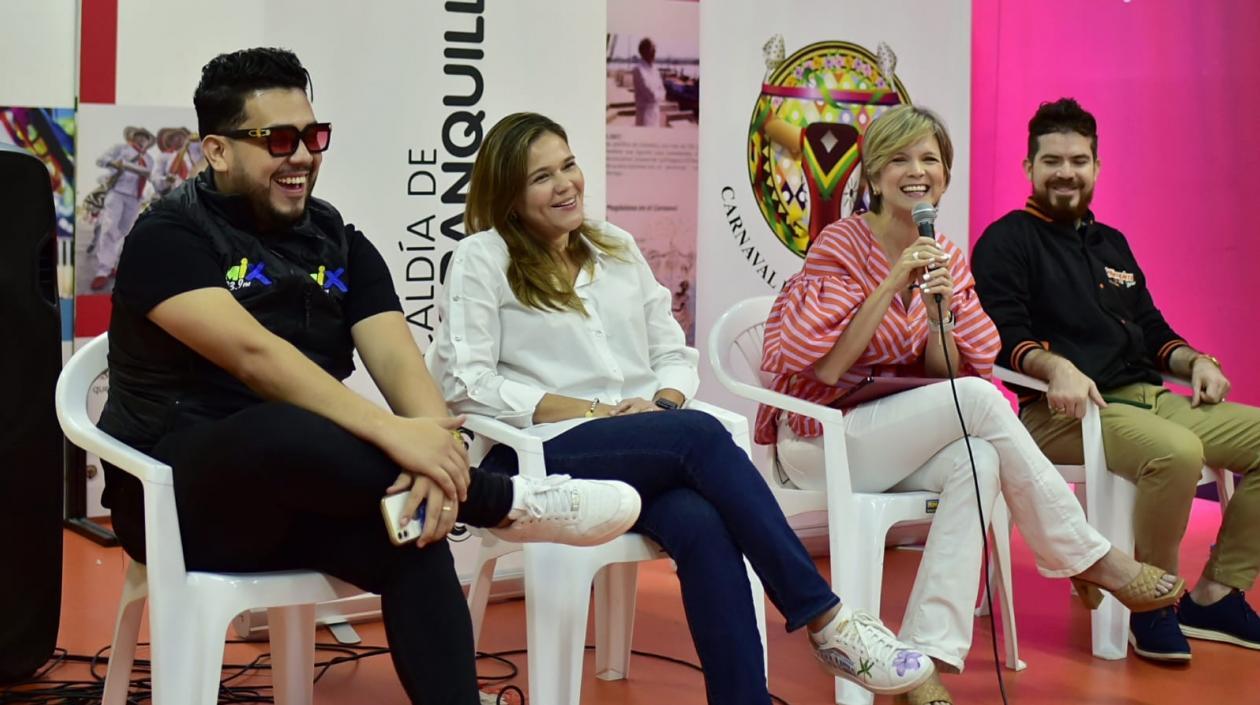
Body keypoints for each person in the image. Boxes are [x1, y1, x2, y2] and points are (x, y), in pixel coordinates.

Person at [96, 48, 641, 705]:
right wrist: (401, 440)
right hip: (177, 500)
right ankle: (503, 501)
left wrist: (433, 454)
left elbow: (410, 384)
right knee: (278, 425)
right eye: (279, 139)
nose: (302, 155)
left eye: (313, 136)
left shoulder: (341, 245)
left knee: (413, 534)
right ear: (217, 151)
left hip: (309, 490)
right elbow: (255, 357)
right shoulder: (168, 238)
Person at [428, 111, 937, 705]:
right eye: (542, 177)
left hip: (642, 443)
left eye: (568, 165)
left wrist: (661, 402)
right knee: (696, 436)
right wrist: (593, 410)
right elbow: (467, 382)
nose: (566, 184)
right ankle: (825, 619)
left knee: (699, 520)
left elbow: (671, 349)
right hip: (538, 457)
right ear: (509, 197)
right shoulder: (482, 258)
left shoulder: (613, 246)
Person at [756, 105, 1184, 705]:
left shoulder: (946, 256)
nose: (917, 171)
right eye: (900, 159)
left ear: (946, 175)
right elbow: (825, 365)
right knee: (983, 402)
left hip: (894, 434)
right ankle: (1087, 556)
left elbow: (949, 375)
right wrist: (891, 282)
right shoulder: (841, 243)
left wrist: (937, 320)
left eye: (930, 159)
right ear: (874, 176)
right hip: (821, 437)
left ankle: (922, 661)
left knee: (980, 457)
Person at [971, 97, 1260, 662]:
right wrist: (1056, 366)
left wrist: (1197, 361)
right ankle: (1149, 601)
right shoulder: (1006, 240)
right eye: (1051, 160)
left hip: (1148, 398)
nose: (1065, 172)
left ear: (1096, 168)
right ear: (1029, 168)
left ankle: (1217, 594)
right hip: (1059, 415)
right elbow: (1001, 336)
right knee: (1177, 453)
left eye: (1078, 160)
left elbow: (1153, 331)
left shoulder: (1113, 244)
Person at [91, 126, 154, 290]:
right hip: (117, 192)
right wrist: (114, 162)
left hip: (135, 198)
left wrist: (126, 165)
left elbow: (147, 173)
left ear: (148, 142)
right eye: (139, 136)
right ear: (133, 137)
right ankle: (102, 271)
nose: (142, 139)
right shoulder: (121, 149)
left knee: (125, 231)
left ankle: (111, 263)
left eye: (145, 137)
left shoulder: (149, 159)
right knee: (109, 228)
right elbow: (100, 160)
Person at [632, 37, 666, 127]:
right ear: (644, 51)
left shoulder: (655, 70)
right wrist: (658, 95)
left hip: (656, 114)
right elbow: (650, 94)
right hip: (644, 117)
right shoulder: (638, 70)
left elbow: (663, 92)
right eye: (652, 49)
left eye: (655, 49)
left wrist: (658, 95)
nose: (655, 52)